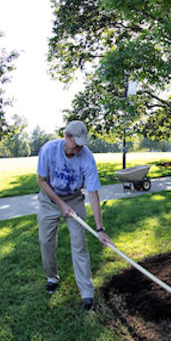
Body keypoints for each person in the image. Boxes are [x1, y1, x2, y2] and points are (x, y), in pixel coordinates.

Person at [36, 120, 112, 311]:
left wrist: (100, 229)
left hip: (74, 199)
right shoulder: (48, 150)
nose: (79, 147)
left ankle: (87, 294)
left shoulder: (87, 157)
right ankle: (52, 277)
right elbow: (41, 180)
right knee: (46, 241)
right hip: (49, 199)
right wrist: (60, 204)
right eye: (76, 142)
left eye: (82, 143)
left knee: (79, 244)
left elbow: (93, 193)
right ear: (66, 137)